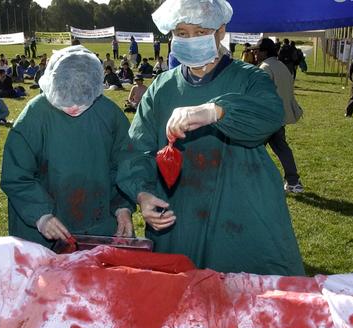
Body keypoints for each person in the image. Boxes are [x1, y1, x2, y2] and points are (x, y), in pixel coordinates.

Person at [117, 0, 305, 276]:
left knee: (247, 302)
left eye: (200, 31)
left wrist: (216, 111)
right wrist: (143, 193)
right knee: (183, 303)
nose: (190, 39)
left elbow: (270, 113)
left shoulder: (249, 78)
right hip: (179, 216)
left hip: (241, 214)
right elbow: (137, 150)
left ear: (220, 31)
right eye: (181, 33)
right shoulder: (162, 88)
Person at [0, 45, 134, 248]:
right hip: (41, 232)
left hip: (96, 226)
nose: (73, 106)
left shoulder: (109, 115)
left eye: (81, 96)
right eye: (64, 94)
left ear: (95, 87)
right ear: (52, 83)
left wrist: (122, 207)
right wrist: (41, 215)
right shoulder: (35, 116)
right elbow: (17, 176)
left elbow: (123, 166)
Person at [254, 38, 305, 193]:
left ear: (264, 51)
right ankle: (293, 181)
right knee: (282, 149)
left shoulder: (265, 68)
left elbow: (259, 95)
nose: (255, 53)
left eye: (257, 50)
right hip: (279, 117)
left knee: (251, 149)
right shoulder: (281, 65)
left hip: (266, 118)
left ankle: (251, 179)